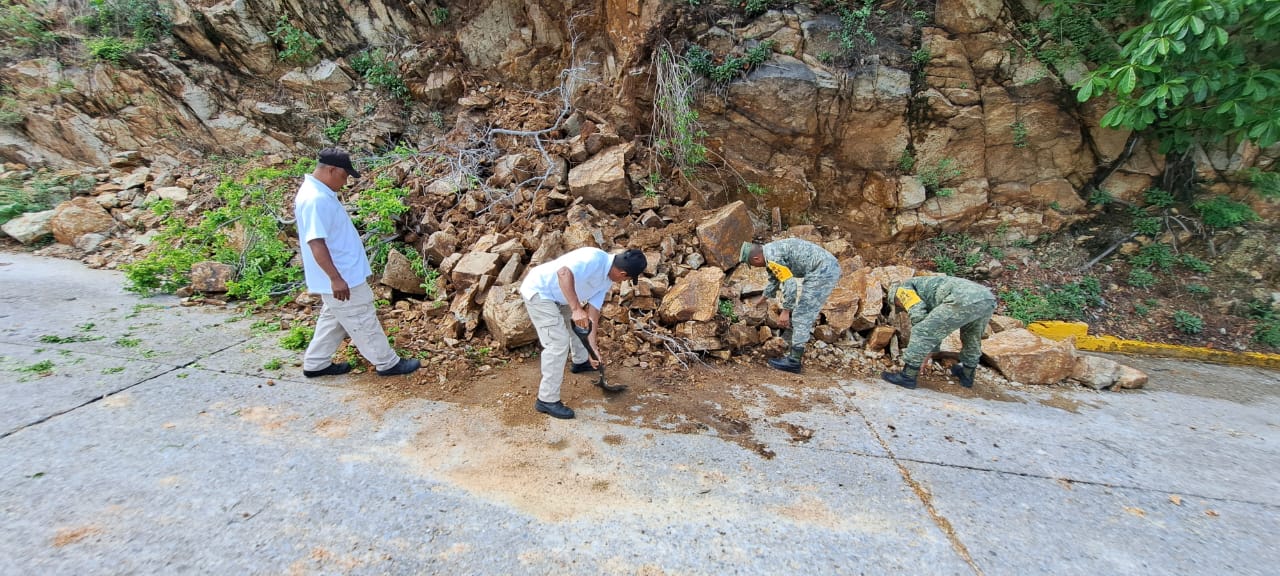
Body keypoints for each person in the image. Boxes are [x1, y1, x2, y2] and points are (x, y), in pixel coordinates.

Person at [294, 147, 420, 378]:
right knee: (362, 318)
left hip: (341, 276)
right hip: (343, 278)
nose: (345, 182)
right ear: (332, 170)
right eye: (344, 175)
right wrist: (335, 278)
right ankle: (387, 363)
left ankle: (316, 363)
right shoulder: (316, 199)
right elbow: (316, 243)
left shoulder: (317, 193)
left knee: (335, 318)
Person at [519, 247, 647, 419]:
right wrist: (576, 308)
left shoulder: (607, 280)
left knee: (581, 324)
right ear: (623, 274)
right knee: (557, 343)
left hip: (561, 295)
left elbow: (593, 315)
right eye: (629, 279)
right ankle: (546, 400)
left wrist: (592, 350)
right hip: (540, 292)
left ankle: (580, 362)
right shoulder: (593, 258)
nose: (624, 282)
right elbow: (563, 272)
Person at [740, 238, 841, 374]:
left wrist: (785, 311)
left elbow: (791, 284)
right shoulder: (770, 251)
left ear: (757, 258)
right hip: (823, 267)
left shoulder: (773, 258)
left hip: (823, 271)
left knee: (802, 313)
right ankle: (790, 344)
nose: (756, 267)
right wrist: (763, 298)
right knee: (801, 311)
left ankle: (794, 361)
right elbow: (775, 279)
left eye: (753, 264)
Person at [881, 275, 996, 390]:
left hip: (964, 297)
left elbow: (919, 318)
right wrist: (928, 353)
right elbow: (936, 329)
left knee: (921, 330)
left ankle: (907, 376)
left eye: (898, 306)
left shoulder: (902, 291)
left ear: (895, 299)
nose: (903, 308)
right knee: (971, 336)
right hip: (987, 299)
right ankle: (967, 375)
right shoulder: (925, 289)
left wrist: (919, 358)